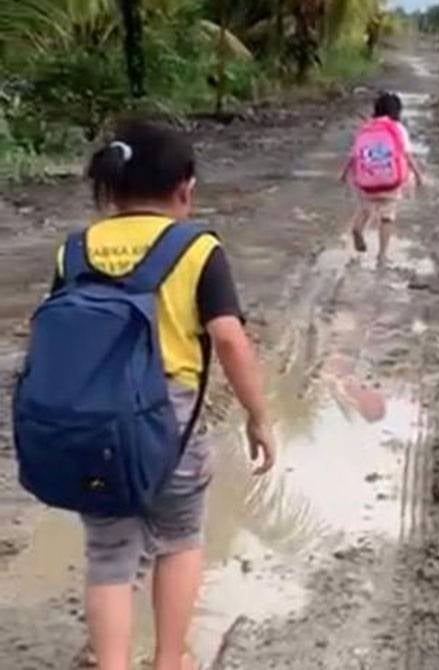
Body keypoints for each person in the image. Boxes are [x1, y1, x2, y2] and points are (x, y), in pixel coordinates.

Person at [54, 120, 276, 670]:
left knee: (109, 556)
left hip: (92, 423)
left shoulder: (74, 250)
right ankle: (169, 660)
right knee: (178, 539)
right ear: (185, 188)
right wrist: (258, 416)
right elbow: (228, 339)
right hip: (170, 424)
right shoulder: (197, 249)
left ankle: (110, 663)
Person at [340, 91, 424, 266]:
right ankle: (382, 255)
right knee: (387, 217)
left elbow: (355, 155)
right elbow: (407, 155)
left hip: (367, 181)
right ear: (397, 111)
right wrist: (418, 175)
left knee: (365, 209)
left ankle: (357, 229)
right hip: (390, 182)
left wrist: (343, 173)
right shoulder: (397, 128)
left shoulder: (366, 128)